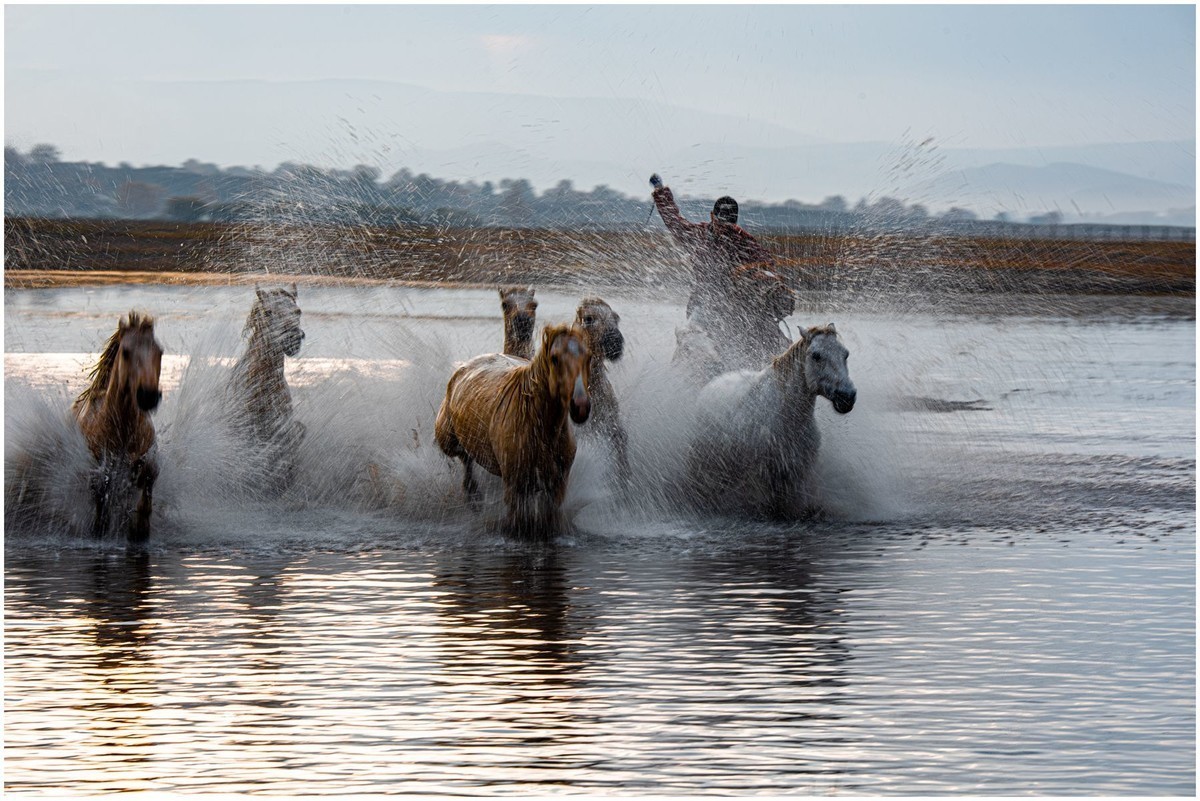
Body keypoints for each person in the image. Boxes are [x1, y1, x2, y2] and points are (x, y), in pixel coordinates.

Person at [649, 173, 794, 371]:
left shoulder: (745, 241)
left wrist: (771, 282)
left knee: (776, 341)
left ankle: (789, 368)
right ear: (712, 217)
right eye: (721, 224)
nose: (725, 230)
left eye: (730, 225)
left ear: (735, 222)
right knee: (692, 338)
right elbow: (674, 222)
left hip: (739, 303)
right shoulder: (698, 234)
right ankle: (682, 373)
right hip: (704, 302)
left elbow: (767, 265)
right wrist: (661, 193)